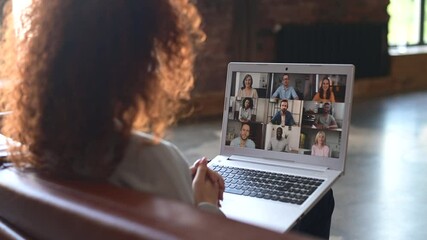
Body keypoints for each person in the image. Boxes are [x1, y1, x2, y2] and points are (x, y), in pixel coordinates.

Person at [1, 0, 224, 215]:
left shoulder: (34, 156)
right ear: (137, 64)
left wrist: (179, 180)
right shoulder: (155, 162)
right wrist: (205, 204)